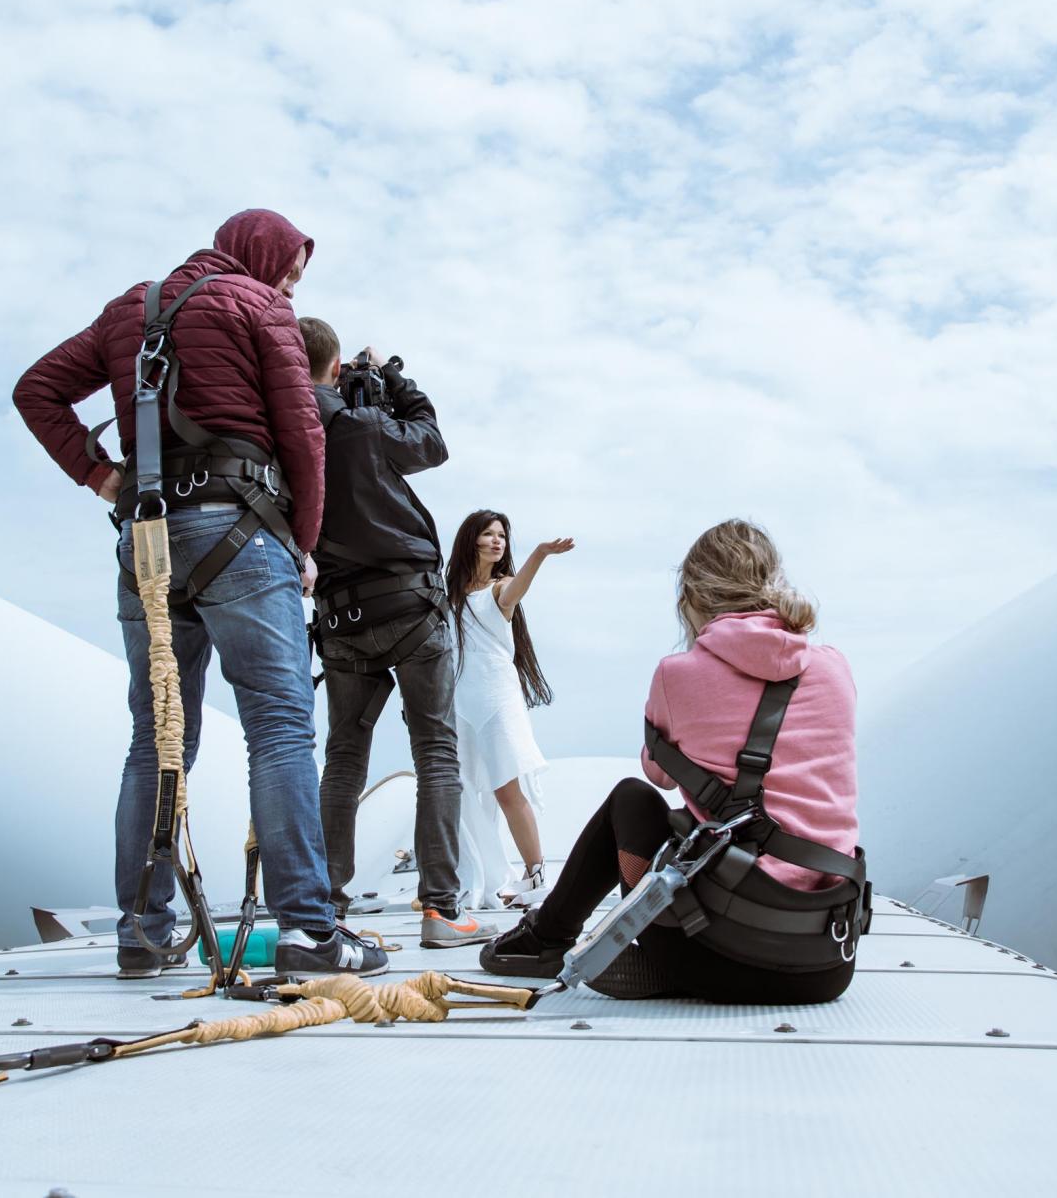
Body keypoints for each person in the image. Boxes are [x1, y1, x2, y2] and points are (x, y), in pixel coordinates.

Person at [12, 208, 385, 982]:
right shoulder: (258, 307)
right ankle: (310, 934)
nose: (290, 283)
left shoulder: (130, 310)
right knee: (280, 729)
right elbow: (302, 434)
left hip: (144, 541)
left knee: (156, 739)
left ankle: (142, 935)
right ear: (261, 257)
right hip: (242, 533)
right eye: (290, 268)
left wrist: (99, 474)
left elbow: (37, 389)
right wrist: (304, 542)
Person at [479, 519, 862, 1004]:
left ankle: (548, 938)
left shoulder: (678, 674)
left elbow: (656, 774)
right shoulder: (833, 665)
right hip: (826, 963)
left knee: (631, 798)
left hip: (716, 952)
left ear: (694, 595)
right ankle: (635, 954)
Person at [299, 322, 496, 949]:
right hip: (410, 607)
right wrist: (393, 379)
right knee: (435, 752)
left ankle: (324, 907)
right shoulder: (361, 425)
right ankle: (440, 909)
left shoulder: (283, 435)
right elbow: (431, 444)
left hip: (340, 619)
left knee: (344, 758)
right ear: (336, 369)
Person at [445, 510, 573, 908]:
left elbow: (519, 588)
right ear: (472, 541)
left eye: (502, 535)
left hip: (498, 701)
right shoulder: (449, 596)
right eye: (488, 534)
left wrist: (538, 553)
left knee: (506, 789)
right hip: (459, 703)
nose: (497, 541)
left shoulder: (501, 590)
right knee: (462, 792)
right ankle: (479, 877)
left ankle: (535, 876)